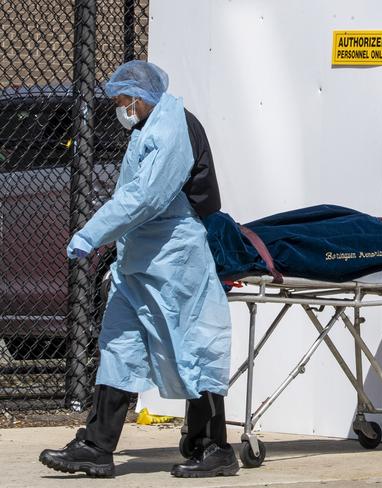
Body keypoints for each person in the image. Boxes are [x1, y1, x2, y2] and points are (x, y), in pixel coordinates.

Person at [39, 60, 238, 478]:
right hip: (139, 259)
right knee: (118, 347)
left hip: (173, 258)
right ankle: (96, 445)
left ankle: (214, 447)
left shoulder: (171, 129)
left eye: (122, 100)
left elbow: (147, 198)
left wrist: (91, 233)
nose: (120, 108)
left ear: (141, 96)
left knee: (190, 347)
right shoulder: (146, 128)